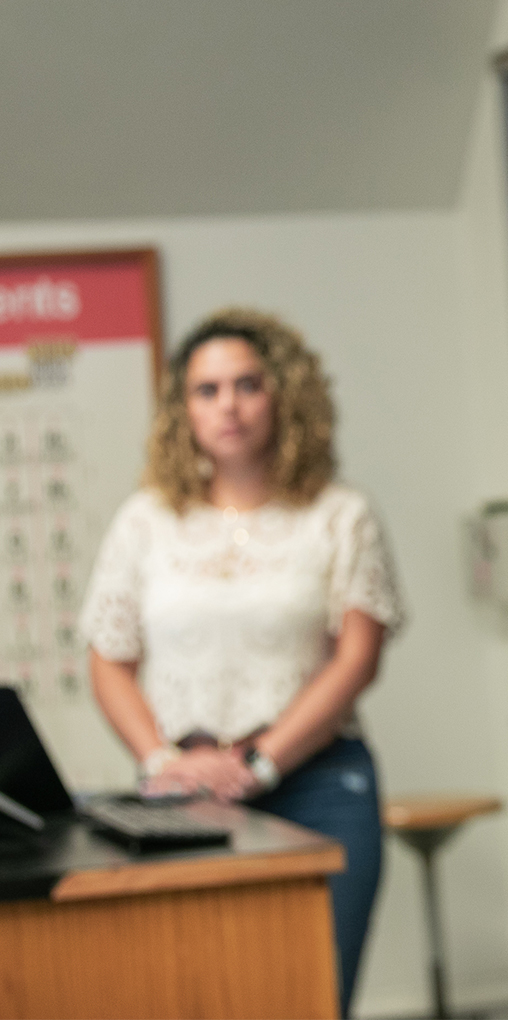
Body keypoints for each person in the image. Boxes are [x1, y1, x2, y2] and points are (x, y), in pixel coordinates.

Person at [80, 308, 404, 1018]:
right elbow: (108, 658)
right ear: (182, 409)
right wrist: (160, 759)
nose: (227, 404)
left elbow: (356, 658)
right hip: (181, 795)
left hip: (318, 786)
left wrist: (260, 762)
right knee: (201, 997)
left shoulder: (339, 514)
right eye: (207, 389)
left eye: (247, 384)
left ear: (283, 395)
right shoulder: (145, 520)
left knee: (312, 998)